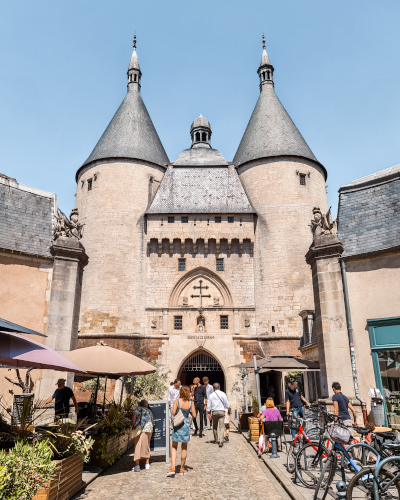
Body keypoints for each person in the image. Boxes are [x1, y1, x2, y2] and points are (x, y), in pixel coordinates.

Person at [168, 385, 196, 477]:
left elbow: (173, 412)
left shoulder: (177, 401)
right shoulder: (190, 403)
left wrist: (178, 413)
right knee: (184, 447)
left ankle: (172, 467)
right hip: (186, 424)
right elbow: (194, 415)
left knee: (174, 446)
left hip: (178, 424)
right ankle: (182, 468)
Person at [132, 399, 154, 472]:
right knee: (146, 446)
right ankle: (147, 464)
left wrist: (133, 425)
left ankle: (137, 466)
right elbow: (152, 421)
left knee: (138, 446)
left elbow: (134, 416)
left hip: (140, 429)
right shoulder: (149, 411)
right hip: (149, 429)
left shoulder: (138, 408)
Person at [207, 382, 231, 447]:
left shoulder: (211, 395)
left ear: (213, 388)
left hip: (214, 412)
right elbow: (226, 403)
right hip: (221, 411)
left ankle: (215, 440)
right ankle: (221, 441)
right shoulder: (223, 394)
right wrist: (229, 409)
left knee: (214, 426)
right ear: (219, 387)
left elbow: (209, 404)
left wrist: (208, 412)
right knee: (221, 426)